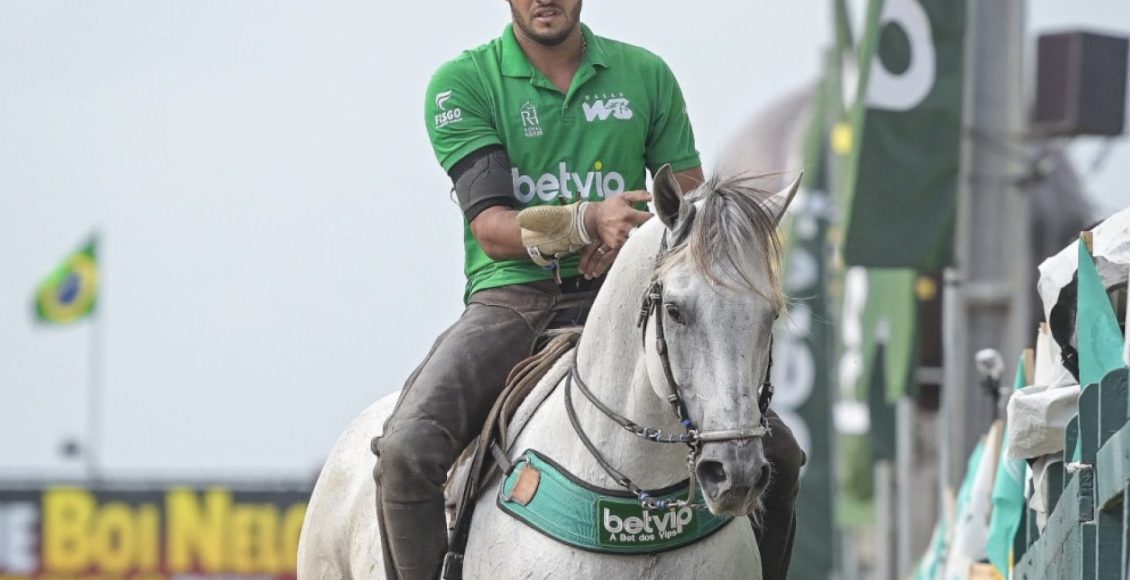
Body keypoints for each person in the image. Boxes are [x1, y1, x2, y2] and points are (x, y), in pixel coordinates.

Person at [372, 2, 805, 578]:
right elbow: (492, 227)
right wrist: (584, 223)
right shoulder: (464, 84)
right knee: (406, 455)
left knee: (780, 455)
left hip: (634, 297)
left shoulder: (646, 75)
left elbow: (694, 220)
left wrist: (639, 240)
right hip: (515, 300)